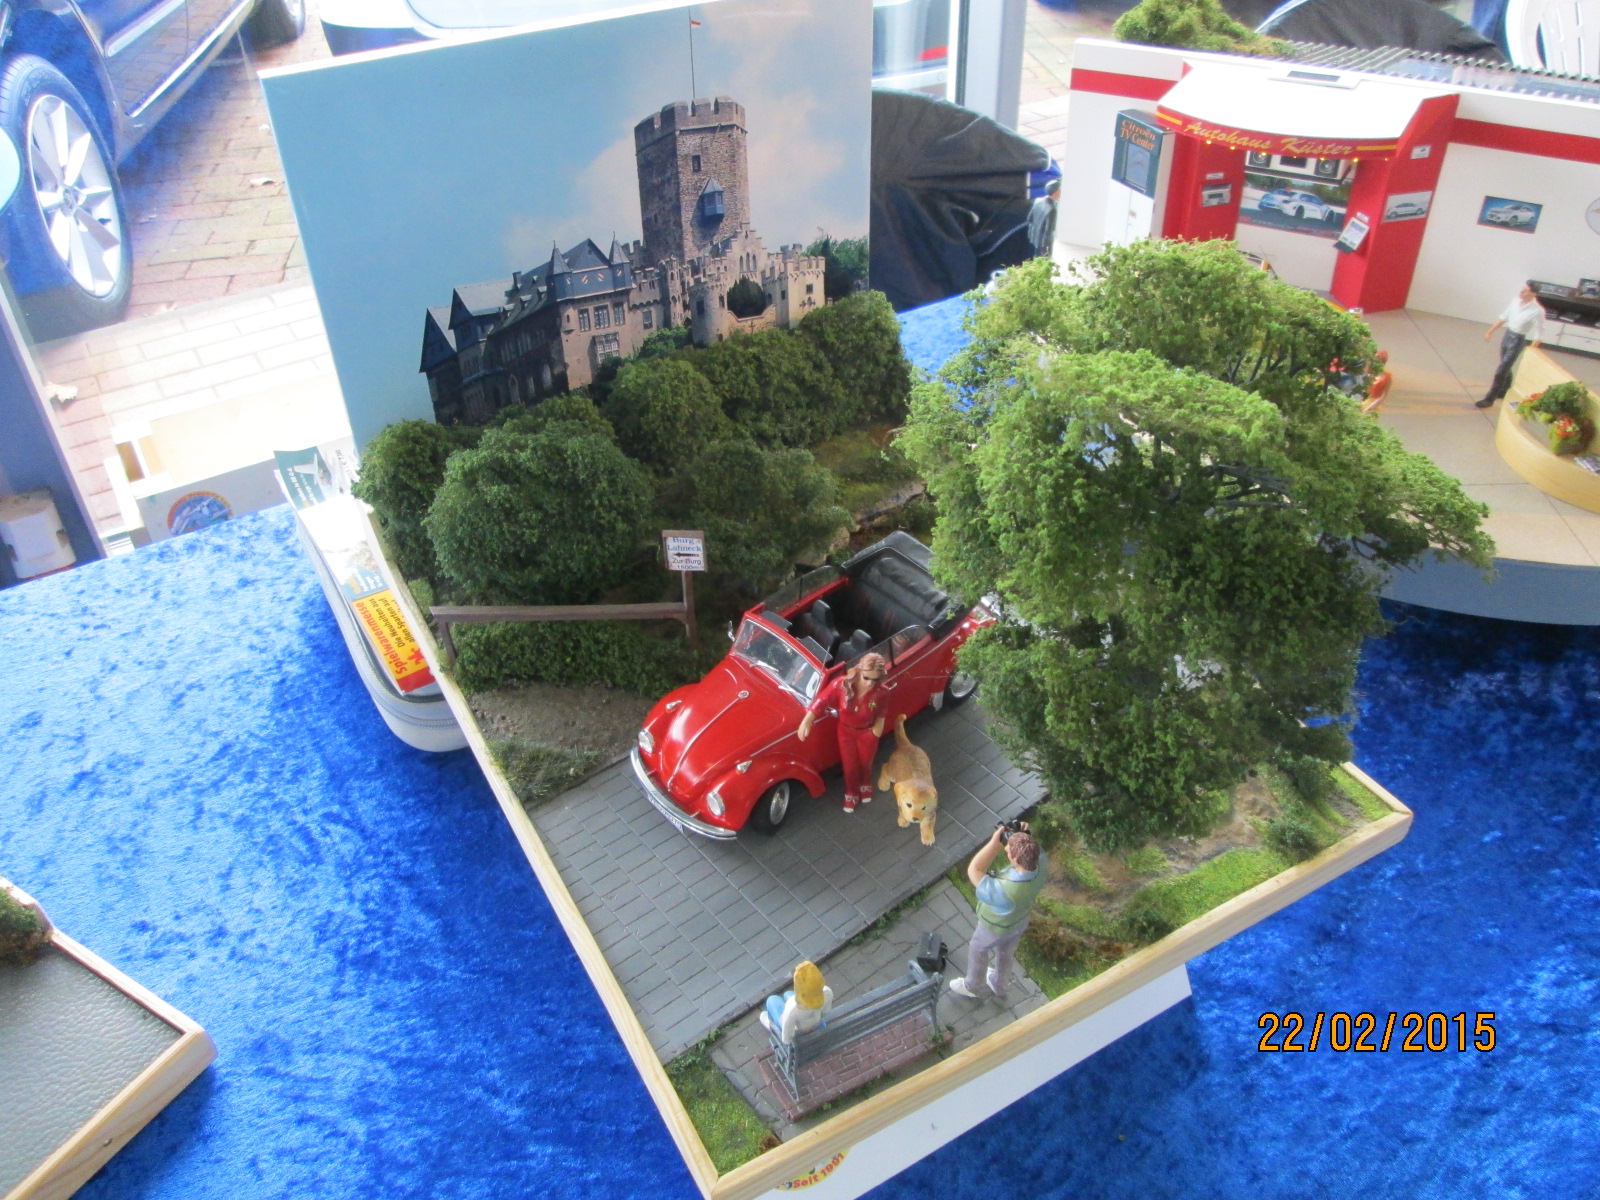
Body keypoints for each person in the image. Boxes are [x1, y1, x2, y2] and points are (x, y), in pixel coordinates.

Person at [950, 822, 1048, 1002]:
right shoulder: (1041, 861)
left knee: (978, 949)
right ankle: (999, 984)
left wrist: (994, 845)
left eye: (1009, 852)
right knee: (1005, 953)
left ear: (1016, 860)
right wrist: (1024, 837)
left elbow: (975, 870)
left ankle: (973, 986)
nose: (1006, 851)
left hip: (994, 927)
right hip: (1019, 921)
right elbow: (1034, 849)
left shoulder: (1006, 891)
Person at [797, 652, 889, 814]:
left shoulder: (881, 692)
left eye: (875, 679)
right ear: (860, 671)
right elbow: (822, 699)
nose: (870, 683)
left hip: (867, 733)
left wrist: (875, 733)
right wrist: (808, 719)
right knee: (849, 764)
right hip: (846, 732)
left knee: (866, 762)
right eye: (866, 678)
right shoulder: (842, 685)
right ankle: (851, 791)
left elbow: (882, 714)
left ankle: (865, 782)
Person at [1476, 281, 1546, 408]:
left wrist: (1532, 350)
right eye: (1522, 289)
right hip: (1507, 336)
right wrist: (1490, 331)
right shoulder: (1515, 301)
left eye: (1525, 290)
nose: (1521, 292)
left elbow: (1539, 333)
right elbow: (1504, 317)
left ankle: (1489, 399)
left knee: (1501, 371)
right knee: (1505, 365)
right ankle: (1504, 389)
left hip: (1517, 341)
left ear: (1533, 294)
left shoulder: (1537, 311)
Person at [760, 960, 833, 1045]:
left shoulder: (793, 1009)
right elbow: (825, 1013)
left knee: (772, 1000)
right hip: (818, 1024)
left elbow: (787, 1038)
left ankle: (770, 1023)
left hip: (798, 1032)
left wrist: (787, 1040)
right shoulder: (827, 993)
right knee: (788, 994)